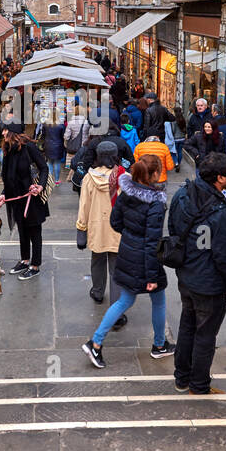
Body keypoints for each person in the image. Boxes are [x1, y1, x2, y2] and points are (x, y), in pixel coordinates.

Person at [82, 153, 175, 369]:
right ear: (152, 175)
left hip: (127, 251)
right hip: (145, 258)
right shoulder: (155, 203)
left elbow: (115, 222)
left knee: (125, 300)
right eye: (158, 170)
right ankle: (159, 346)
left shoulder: (126, 194)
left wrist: (131, 236)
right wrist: (152, 275)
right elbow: (152, 241)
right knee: (158, 298)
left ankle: (96, 342)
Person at [169, 152, 226, 395]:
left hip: (187, 275)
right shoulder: (222, 212)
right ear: (220, 179)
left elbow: (173, 230)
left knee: (187, 325)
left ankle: (182, 378)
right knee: (205, 335)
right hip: (210, 283)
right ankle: (199, 384)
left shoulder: (182, 194)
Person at [77, 140, 126, 324]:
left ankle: (97, 292)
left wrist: (81, 229)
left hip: (97, 228)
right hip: (117, 230)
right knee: (116, 269)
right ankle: (116, 311)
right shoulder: (123, 177)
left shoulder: (89, 178)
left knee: (97, 261)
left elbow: (84, 206)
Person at [0, 124, 51, 281]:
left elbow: (44, 168)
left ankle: (35, 265)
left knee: (34, 231)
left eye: (5, 130)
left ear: (12, 132)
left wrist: (40, 186)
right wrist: (3, 194)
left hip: (32, 198)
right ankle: (25, 260)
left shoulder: (29, 148)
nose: (2, 133)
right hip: (16, 199)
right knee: (22, 230)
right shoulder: (8, 149)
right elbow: (7, 176)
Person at [40, 116, 67, 186]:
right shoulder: (61, 125)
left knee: (49, 163)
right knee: (57, 163)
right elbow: (63, 136)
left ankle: (50, 181)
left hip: (48, 145)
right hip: (58, 146)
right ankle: (56, 181)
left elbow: (43, 135)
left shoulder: (45, 124)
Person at [166, 106, 188, 171]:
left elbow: (173, 130)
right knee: (179, 151)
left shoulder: (174, 121)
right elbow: (185, 129)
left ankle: (176, 163)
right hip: (182, 138)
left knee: (173, 152)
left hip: (175, 139)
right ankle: (179, 163)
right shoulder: (183, 119)